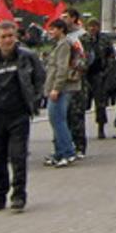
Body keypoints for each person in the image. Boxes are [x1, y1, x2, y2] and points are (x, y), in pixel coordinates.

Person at [0, 20, 45, 213]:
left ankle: (18, 195)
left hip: (19, 115)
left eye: (11, 36)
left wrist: (34, 100)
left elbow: (39, 79)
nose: (8, 40)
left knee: (18, 156)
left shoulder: (27, 57)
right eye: (3, 37)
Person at [42, 19, 81, 168]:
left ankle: (67, 152)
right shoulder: (59, 44)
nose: (50, 32)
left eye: (52, 29)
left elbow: (62, 68)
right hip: (56, 87)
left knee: (58, 121)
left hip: (60, 88)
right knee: (56, 121)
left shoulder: (64, 44)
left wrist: (56, 88)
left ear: (61, 30)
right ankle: (59, 153)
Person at [60, 8, 89, 158]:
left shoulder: (82, 36)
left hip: (77, 80)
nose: (63, 20)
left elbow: (87, 58)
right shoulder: (63, 37)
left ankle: (79, 146)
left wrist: (76, 68)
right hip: (63, 81)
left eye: (66, 17)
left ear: (73, 18)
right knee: (64, 114)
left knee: (76, 113)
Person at [82, 18, 116, 140]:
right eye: (90, 26)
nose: (93, 28)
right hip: (85, 75)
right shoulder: (83, 39)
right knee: (81, 104)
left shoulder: (105, 39)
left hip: (99, 74)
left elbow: (111, 56)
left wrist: (106, 71)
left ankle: (101, 128)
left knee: (100, 103)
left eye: (95, 26)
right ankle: (80, 130)